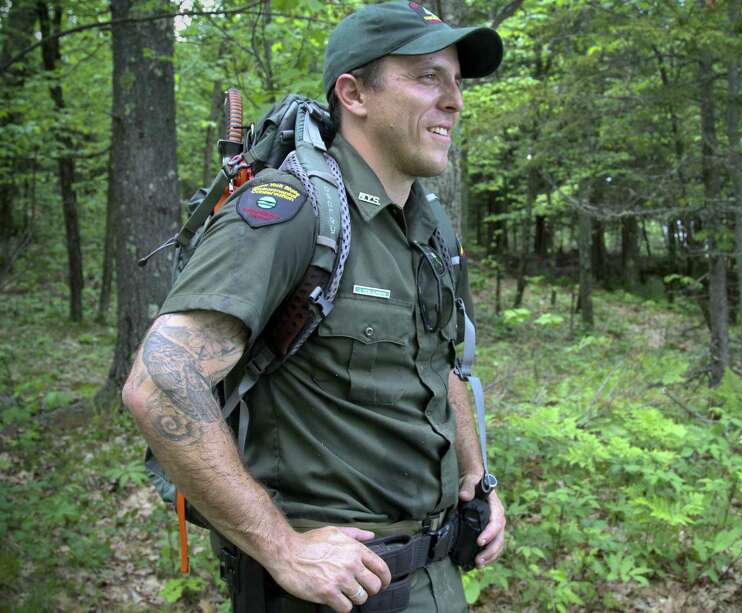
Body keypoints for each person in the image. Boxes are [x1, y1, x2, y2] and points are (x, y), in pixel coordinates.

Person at [121, 2, 505, 612]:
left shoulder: (426, 226)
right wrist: (282, 548)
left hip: (435, 580)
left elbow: (445, 364)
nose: (454, 100)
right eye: (428, 77)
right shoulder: (292, 211)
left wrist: (476, 478)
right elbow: (161, 380)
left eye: (456, 81)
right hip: (328, 593)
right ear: (353, 93)